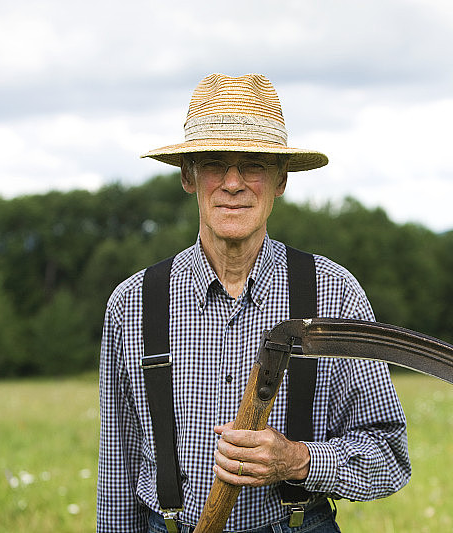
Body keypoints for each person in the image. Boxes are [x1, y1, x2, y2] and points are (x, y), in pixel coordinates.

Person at [97, 73, 410, 533]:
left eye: (254, 164)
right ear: (188, 176)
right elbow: (117, 482)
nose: (233, 183)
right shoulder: (134, 303)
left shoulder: (333, 293)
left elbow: (389, 457)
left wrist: (299, 460)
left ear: (281, 180)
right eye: (214, 164)